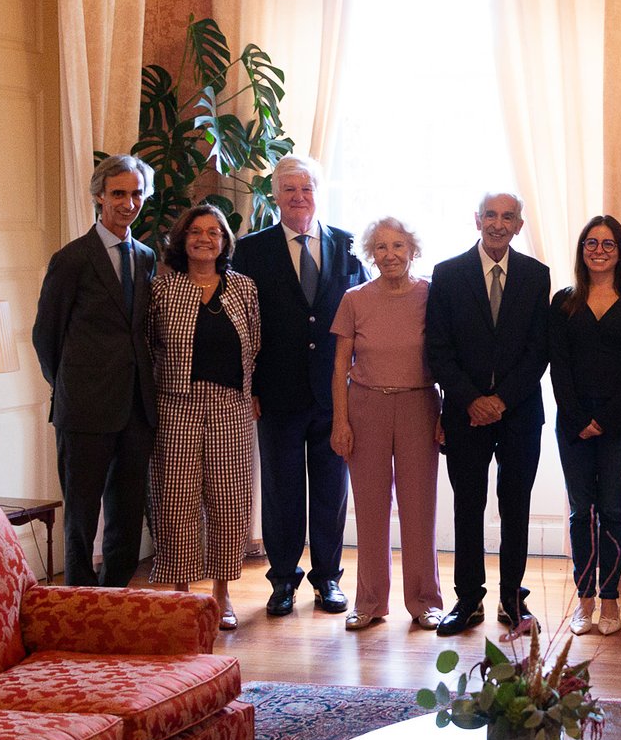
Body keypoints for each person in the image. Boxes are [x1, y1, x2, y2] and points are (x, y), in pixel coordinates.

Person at [233, 155, 367, 617]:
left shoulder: (348, 246)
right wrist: (248, 385)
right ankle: (283, 580)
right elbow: (242, 327)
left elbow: (364, 317)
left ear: (317, 193)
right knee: (282, 489)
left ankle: (328, 579)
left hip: (335, 396)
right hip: (277, 394)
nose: (298, 197)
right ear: (275, 195)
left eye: (306, 188)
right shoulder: (251, 250)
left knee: (332, 490)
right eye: (289, 189)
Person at [425, 192, 550, 637]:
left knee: (515, 507)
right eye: (491, 215)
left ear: (519, 225)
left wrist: (501, 401)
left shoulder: (537, 276)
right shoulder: (448, 274)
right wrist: (471, 399)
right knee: (468, 505)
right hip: (465, 413)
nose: (498, 224)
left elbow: (540, 350)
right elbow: (437, 349)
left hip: (519, 414)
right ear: (476, 219)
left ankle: (512, 598)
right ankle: (468, 598)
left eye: (508, 217)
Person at [32, 154, 158, 587]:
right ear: (99, 197)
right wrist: (70, 386)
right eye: (119, 193)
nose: (129, 203)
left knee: (126, 514)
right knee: (82, 517)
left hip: (136, 409)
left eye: (136, 193)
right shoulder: (71, 259)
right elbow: (45, 335)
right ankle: (80, 601)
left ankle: (115, 598)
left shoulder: (145, 257)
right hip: (84, 410)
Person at [146, 205, 260, 629]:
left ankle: (222, 594)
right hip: (177, 405)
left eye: (215, 232)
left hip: (230, 406)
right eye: (196, 231)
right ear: (182, 240)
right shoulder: (163, 289)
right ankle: (180, 595)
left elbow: (256, 343)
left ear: (226, 241)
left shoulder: (244, 288)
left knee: (229, 503)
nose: (205, 238)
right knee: (175, 500)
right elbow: (149, 343)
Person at [330, 217, 446, 632]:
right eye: (381, 247)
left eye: (398, 246)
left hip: (419, 405)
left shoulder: (432, 295)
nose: (390, 254)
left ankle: (425, 601)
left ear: (413, 251)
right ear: (370, 254)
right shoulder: (354, 298)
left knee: (419, 507)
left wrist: (445, 413)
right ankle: (370, 602)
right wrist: (340, 421)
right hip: (366, 407)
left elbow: (447, 358)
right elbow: (341, 364)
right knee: (371, 508)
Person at [549, 216, 621, 635]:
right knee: (580, 511)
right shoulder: (563, 301)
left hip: (619, 421)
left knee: (611, 508)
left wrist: (605, 421)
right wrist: (579, 419)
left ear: (620, 251)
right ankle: (584, 600)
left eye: (608, 244)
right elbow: (558, 367)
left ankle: (609, 600)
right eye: (591, 243)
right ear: (582, 249)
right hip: (572, 420)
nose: (598, 250)